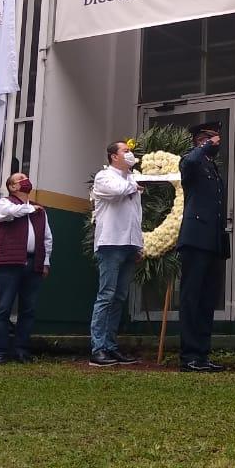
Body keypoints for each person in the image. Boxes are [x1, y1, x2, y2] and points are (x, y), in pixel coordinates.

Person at [177, 120, 229, 372]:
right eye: (212, 138)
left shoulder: (211, 167)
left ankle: (202, 353)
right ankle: (189, 356)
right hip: (195, 239)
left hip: (213, 240)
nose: (217, 142)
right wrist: (205, 146)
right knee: (192, 298)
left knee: (207, 300)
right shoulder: (193, 161)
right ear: (201, 140)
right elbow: (187, 164)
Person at [88, 141, 145, 367]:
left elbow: (136, 214)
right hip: (110, 243)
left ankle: (111, 347)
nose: (130, 154)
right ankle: (98, 348)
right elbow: (116, 192)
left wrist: (138, 244)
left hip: (129, 244)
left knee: (119, 297)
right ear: (113, 156)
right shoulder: (104, 177)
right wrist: (135, 185)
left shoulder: (132, 178)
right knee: (106, 295)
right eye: (126, 151)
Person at [0, 171, 52, 364]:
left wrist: (45, 261)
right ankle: (1, 351)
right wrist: (30, 209)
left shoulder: (39, 210)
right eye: (20, 179)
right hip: (9, 263)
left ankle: (21, 350)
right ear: (12, 187)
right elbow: (7, 214)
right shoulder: (4, 203)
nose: (26, 181)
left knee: (28, 309)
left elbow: (47, 238)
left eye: (26, 178)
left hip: (34, 262)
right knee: (3, 308)